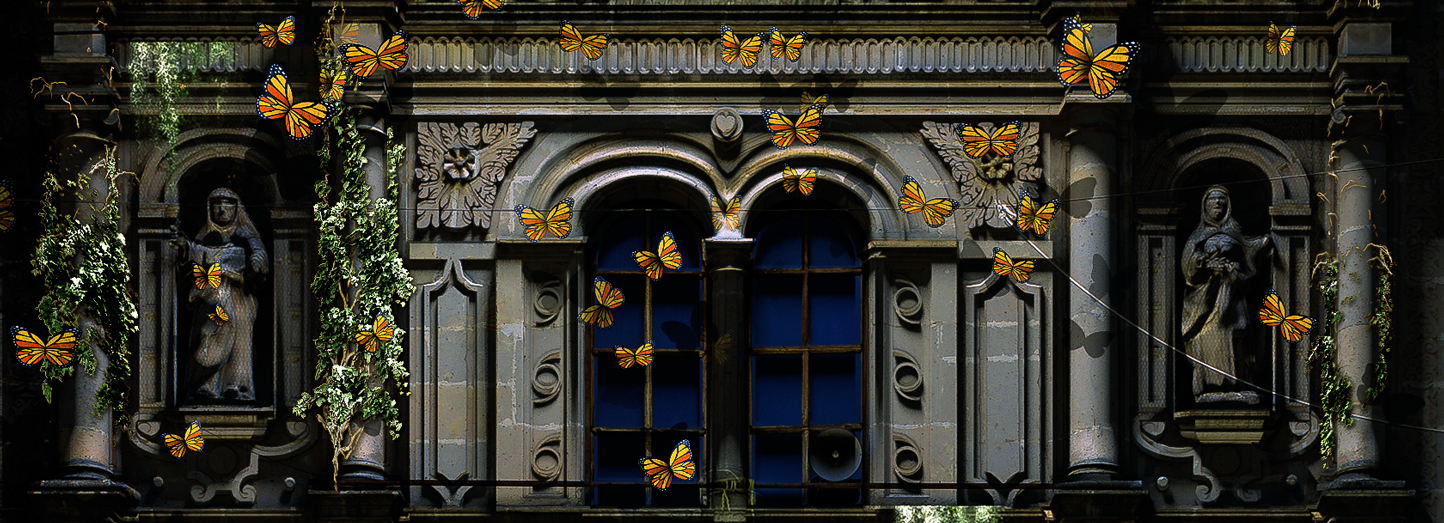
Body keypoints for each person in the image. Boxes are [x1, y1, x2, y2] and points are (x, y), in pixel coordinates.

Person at [170, 188, 268, 401]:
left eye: (228, 204)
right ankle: (205, 386)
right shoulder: (203, 240)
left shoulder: (248, 238)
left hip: (239, 299)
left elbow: (260, 258)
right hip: (211, 299)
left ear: (237, 208)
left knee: (239, 344)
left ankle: (237, 387)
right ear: (208, 209)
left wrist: (257, 264)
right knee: (208, 336)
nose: (222, 209)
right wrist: (184, 248)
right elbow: (194, 253)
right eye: (217, 204)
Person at [1180, 185, 1272, 402]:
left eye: (1221, 199)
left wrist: (1261, 245)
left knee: (1238, 331)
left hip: (1232, 293)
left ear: (1228, 205)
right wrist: (1208, 266)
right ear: (1205, 206)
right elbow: (1188, 267)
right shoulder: (1197, 236)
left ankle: (1239, 384)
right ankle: (1210, 387)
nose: (1217, 204)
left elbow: (1251, 252)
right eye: (1213, 200)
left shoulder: (1235, 233)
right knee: (1208, 335)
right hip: (1205, 299)